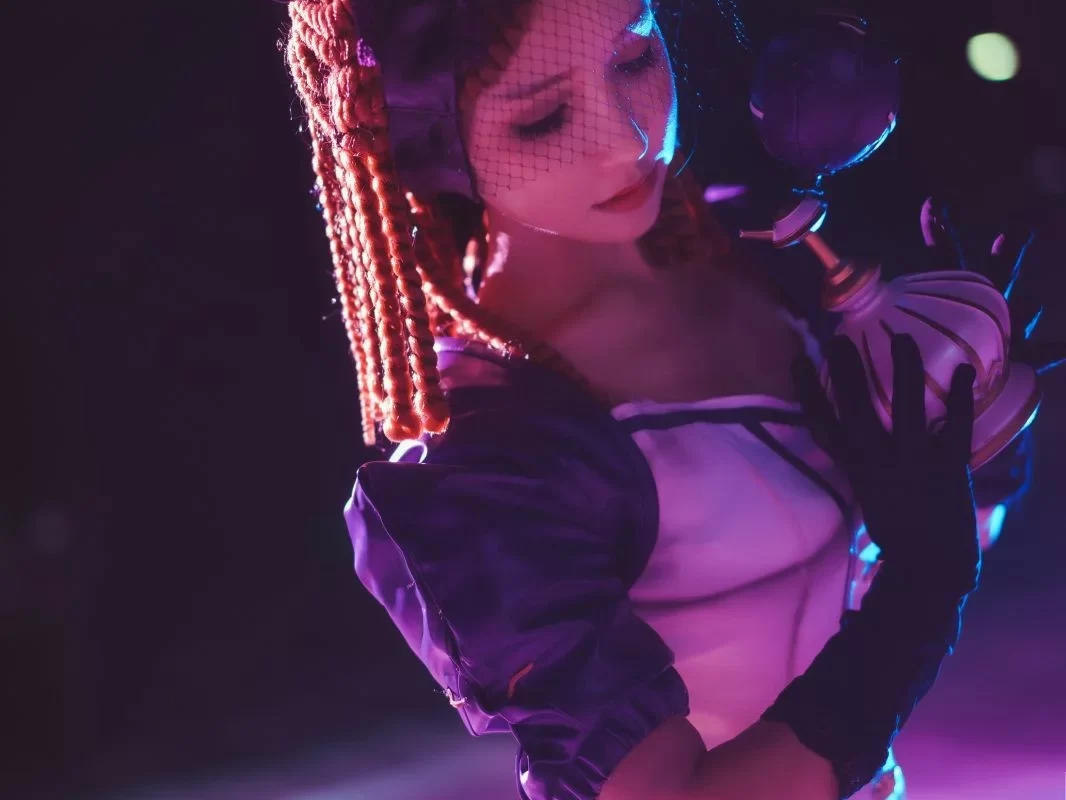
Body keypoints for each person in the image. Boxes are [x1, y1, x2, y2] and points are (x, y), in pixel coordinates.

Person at [283, 1, 1045, 796]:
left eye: (634, 59)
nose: (629, 138)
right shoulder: (482, 458)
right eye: (544, 118)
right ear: (427, 138)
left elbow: (949, 524)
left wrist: (971, 391)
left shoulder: (760, 259)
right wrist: (923, 589)